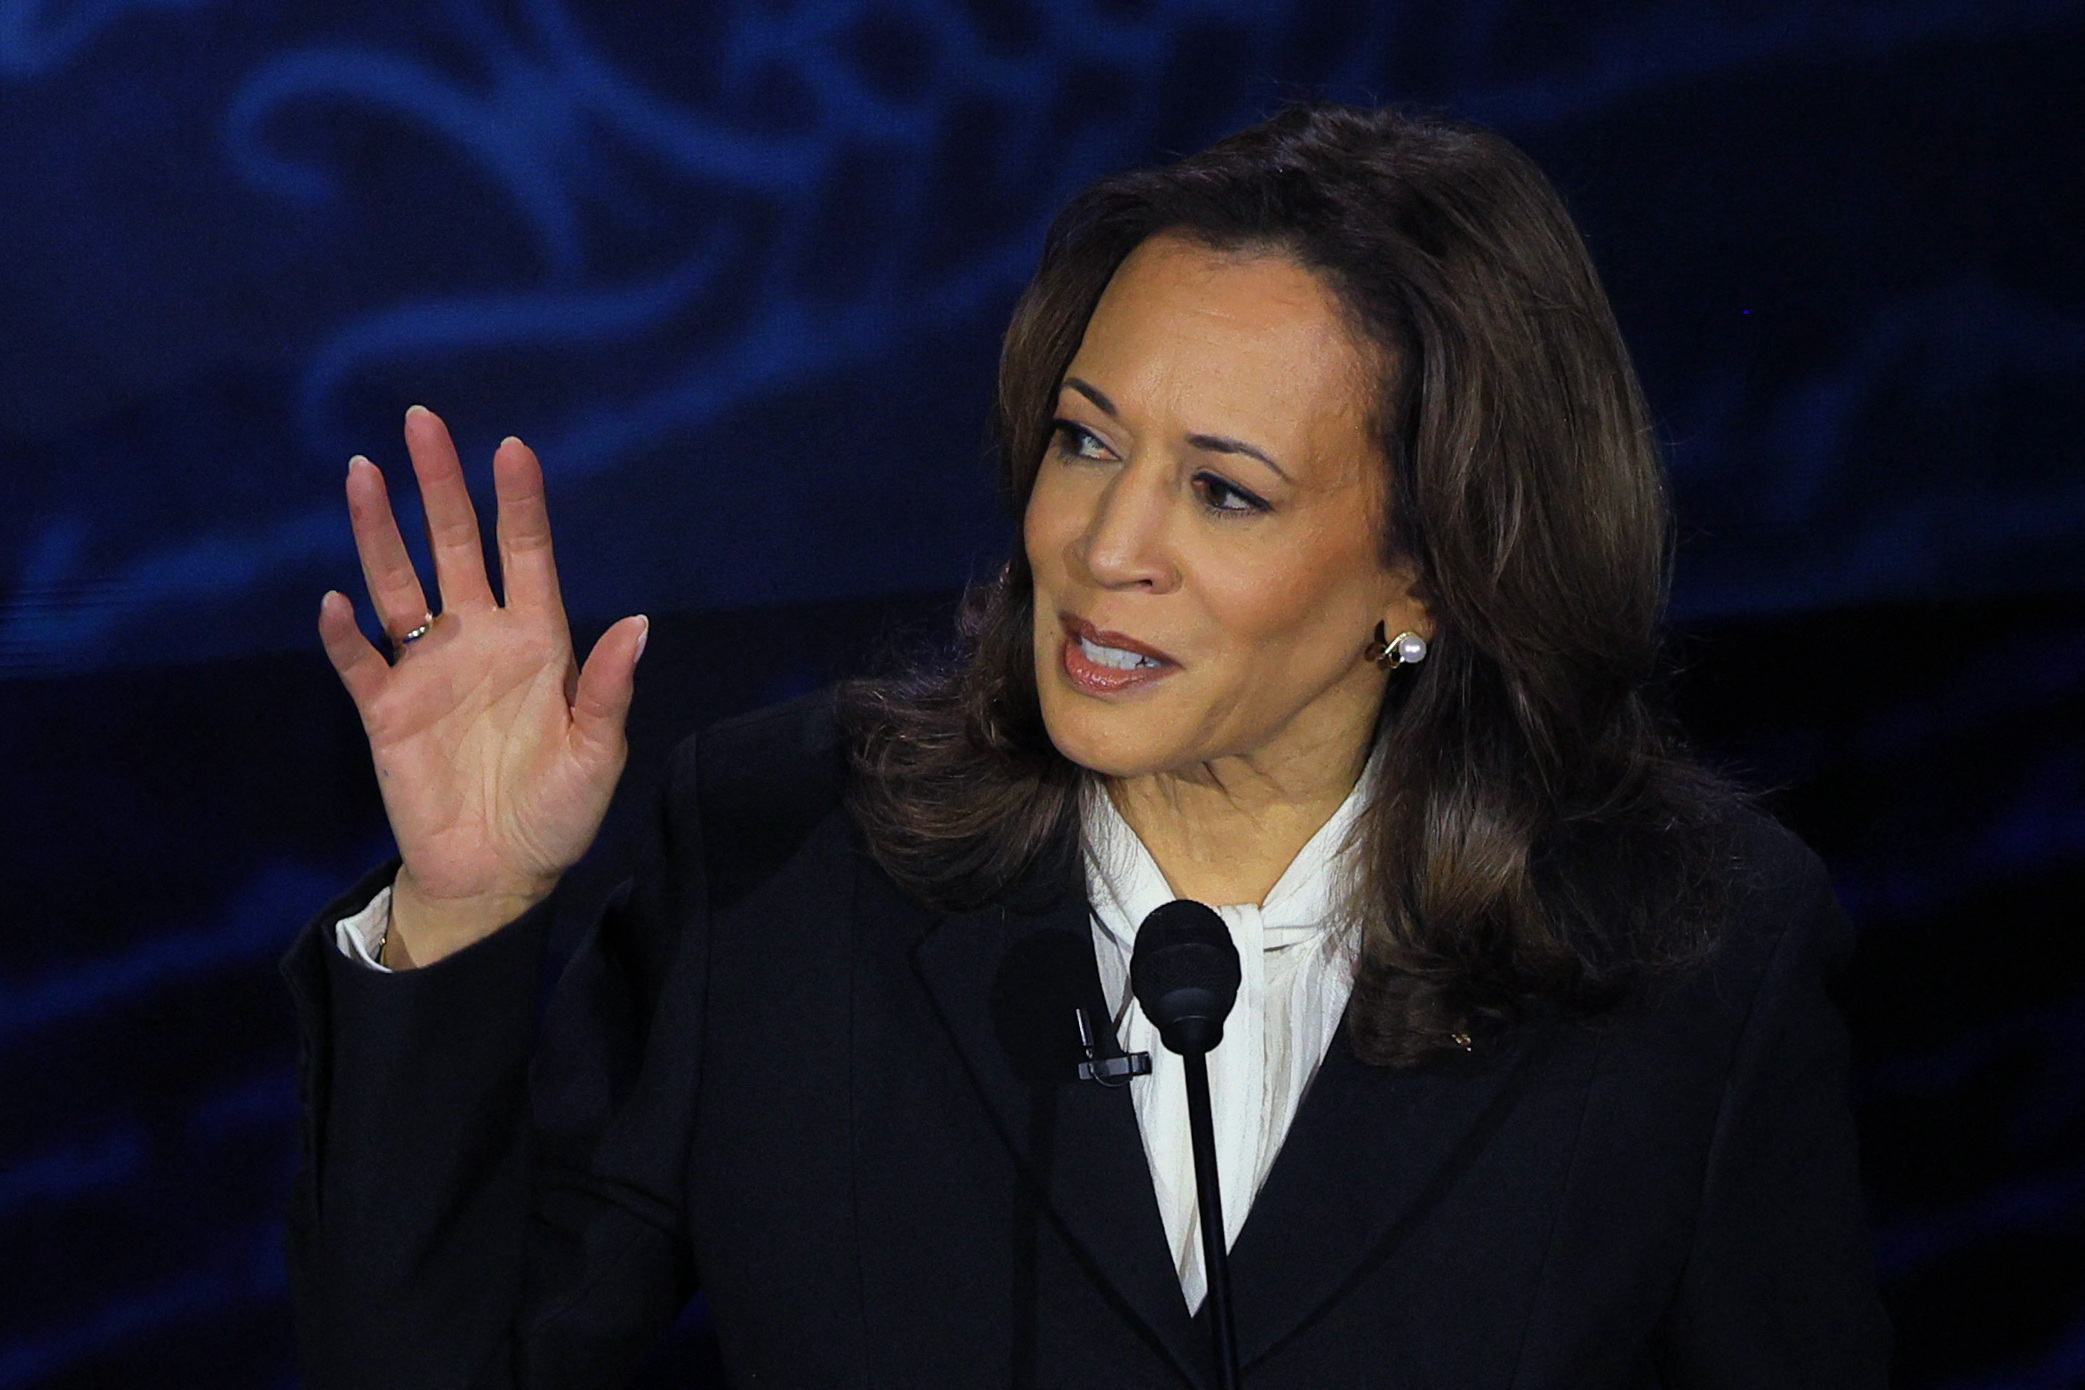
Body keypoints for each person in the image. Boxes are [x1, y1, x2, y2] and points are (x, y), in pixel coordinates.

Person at [284, 103, 1891, 1387]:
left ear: (1429, 567)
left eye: (1224, 490)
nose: (1104, 543)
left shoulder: (1688, 951)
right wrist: (463, 909)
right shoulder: (779, 859)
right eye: (1083, 440)